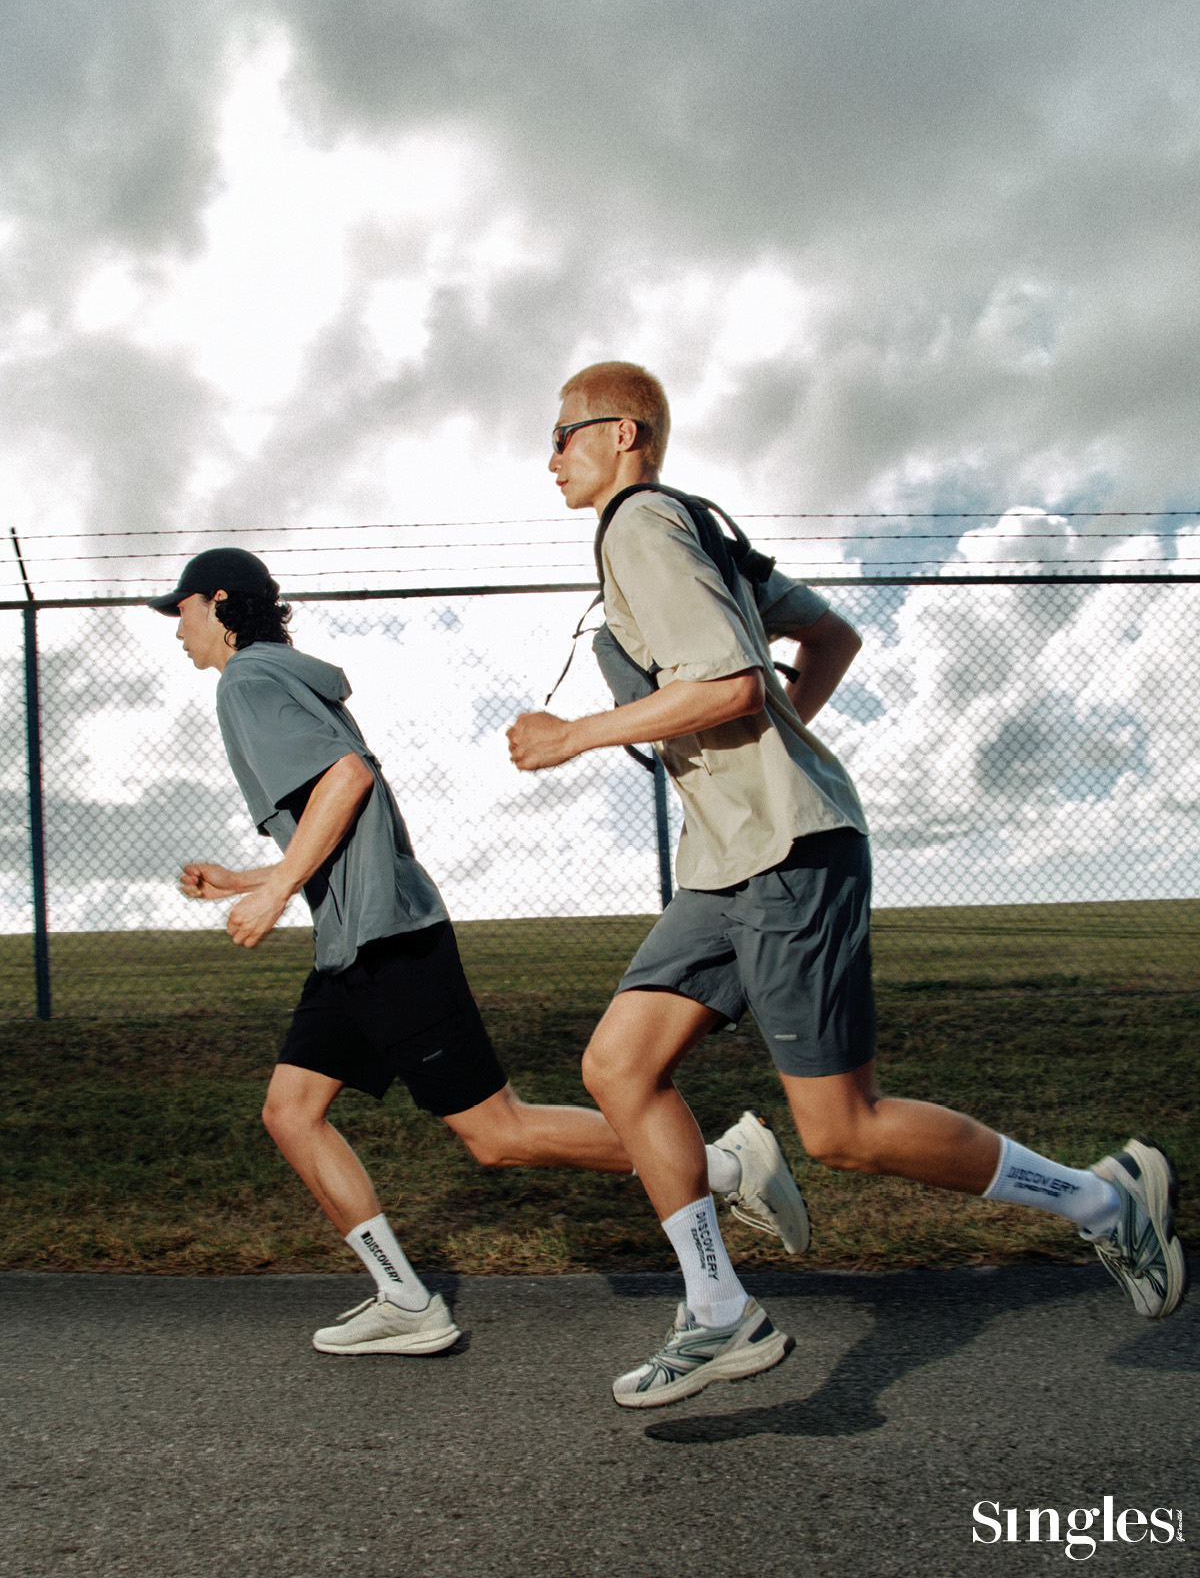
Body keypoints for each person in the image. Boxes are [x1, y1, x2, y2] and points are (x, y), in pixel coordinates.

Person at [506, 360, 1188, 1409]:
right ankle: (720, 1311)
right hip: (726, 861)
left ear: (623, 433)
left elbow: (735, 685)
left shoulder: (640, 524)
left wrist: (576, 735)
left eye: (562, 434)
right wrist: (776, 747)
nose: (549, 457)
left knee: (842, 1129)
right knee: (619, 1066)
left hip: (787, 854)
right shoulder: (700, 529)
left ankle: (1106, 1201)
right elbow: (829, 638)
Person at [150, 547, 808, 1357]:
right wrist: (245, 879)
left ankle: (726, 1166)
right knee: (290, 1112)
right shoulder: (283, 677)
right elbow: (343, 826)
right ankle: (405, 1300)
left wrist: (277, 888)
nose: (177, 629)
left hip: (388, 943)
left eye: (181, 610)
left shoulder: (246, 681)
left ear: (219, 602)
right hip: (352, 943)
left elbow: (347, 781)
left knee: (499, 1134)